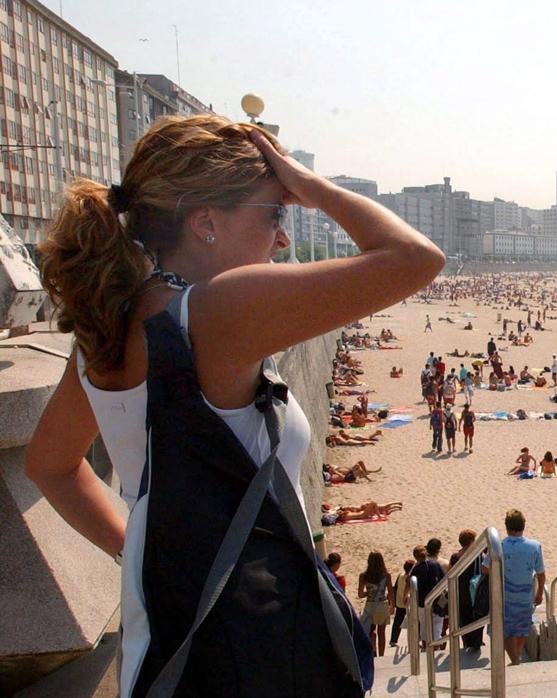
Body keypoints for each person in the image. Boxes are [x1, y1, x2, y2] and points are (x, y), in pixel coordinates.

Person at [26, 115, 445, 696]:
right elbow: (415, 258)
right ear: (205, 222)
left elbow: (49, 464)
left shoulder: (109, 326)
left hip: (162, 646)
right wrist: (311, 184)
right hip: (251, 647)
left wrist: (140, 545)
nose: (283, 236)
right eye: (274, 212)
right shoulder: (217, 311)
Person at [481, 510, 546, 665]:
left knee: (505, 630)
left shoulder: (500, 546)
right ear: (523, 526)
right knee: (523, 627)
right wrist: (540, 593)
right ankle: (516, 656)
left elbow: (485, 569)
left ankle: (515, 659)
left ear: (507, 526)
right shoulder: (534, 546)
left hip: (504, 595)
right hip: (525, 595)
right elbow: (541, 574)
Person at [449, 530, 485, 651]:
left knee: (464, 618)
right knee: (478, 616)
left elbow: (449, 574)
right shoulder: (478, 555)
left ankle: (466, 643)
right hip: (475, 590)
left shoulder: (455, 557)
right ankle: (477, 641)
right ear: (471, 541)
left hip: (461, 591)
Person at [411, 539, 449, 649]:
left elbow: (411, 584)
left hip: (422, 603)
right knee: (437, 628)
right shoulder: (435, 564)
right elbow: (444, 580)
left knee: (424, 628)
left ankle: (426, 650)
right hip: (437, 600)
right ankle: (435, 650)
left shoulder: (416, 569)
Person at [358, 552, 394, 657]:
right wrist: (392, 605)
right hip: (382, 605)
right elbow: (391, 592)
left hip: (370, 606)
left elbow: (360, 594)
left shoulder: (363, 576)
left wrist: (368, 593)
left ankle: (373, 653)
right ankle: (381, 656)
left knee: (370, 631)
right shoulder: (386, 575)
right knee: (381, 633)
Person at [389, 559, 415, 648]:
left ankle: (393, 640)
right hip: (409, 603)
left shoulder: (400, 575)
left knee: (397, 621)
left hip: (400, 602)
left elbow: (395, 587)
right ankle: (414, 640)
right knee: (413, 622)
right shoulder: (412, 578)